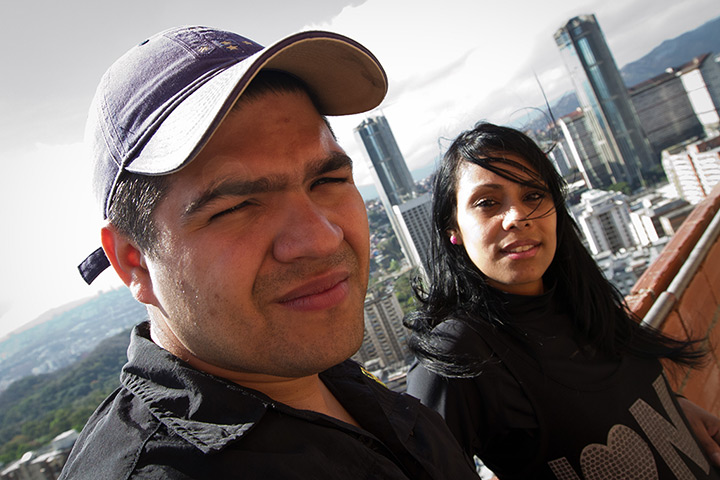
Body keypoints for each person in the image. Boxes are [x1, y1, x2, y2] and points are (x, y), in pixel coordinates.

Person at [60, 26, 479, 479]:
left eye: (327, 181)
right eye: (239, 206)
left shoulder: (335, 383)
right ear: (134, 260)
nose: (321, 238)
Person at [404, 122, 720, 479]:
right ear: (454, 230)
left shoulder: (582, 300)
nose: (517, 217)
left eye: (533, 195)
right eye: (487, 202)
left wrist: (669, 414)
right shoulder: (457, 352)